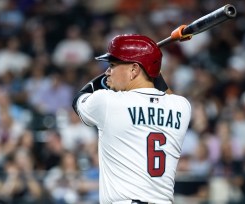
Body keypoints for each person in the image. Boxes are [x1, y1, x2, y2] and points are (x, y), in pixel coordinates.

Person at [72, 34, 191, 204]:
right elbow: (162, 89)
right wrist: (151, 63)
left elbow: (78, 99)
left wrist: (100, 80)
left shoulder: (107, 102)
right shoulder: (182, 106)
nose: (107, 72)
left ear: (134, 70)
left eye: (112, 65)